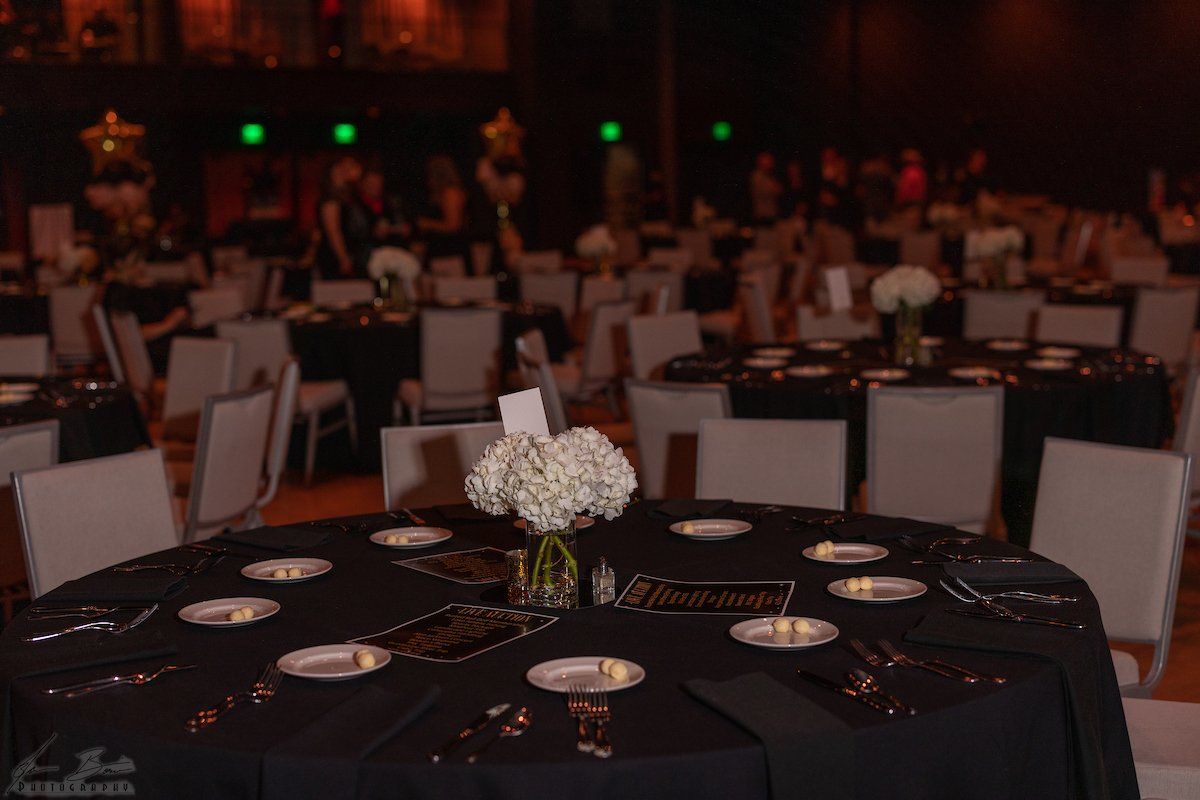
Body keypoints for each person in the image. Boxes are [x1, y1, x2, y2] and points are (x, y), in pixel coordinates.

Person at [315, 155, 369, 279]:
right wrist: (343, 258)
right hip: (335, 256)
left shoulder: (348, 196)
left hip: (352, 252)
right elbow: (333, 231)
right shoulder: (330, 198)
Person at [417, 155, 469, 263]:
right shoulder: (441, 194)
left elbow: (453, 225)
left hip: (451, 252)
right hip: (441, 251)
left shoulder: (450, 193)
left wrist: (427, 224)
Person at [749, 152, 782, 223]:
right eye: (769, 160)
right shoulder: (757, 176)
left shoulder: (770, 176)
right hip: (762, 214)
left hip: (771, 213)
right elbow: (771, 191)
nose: (771, 163)